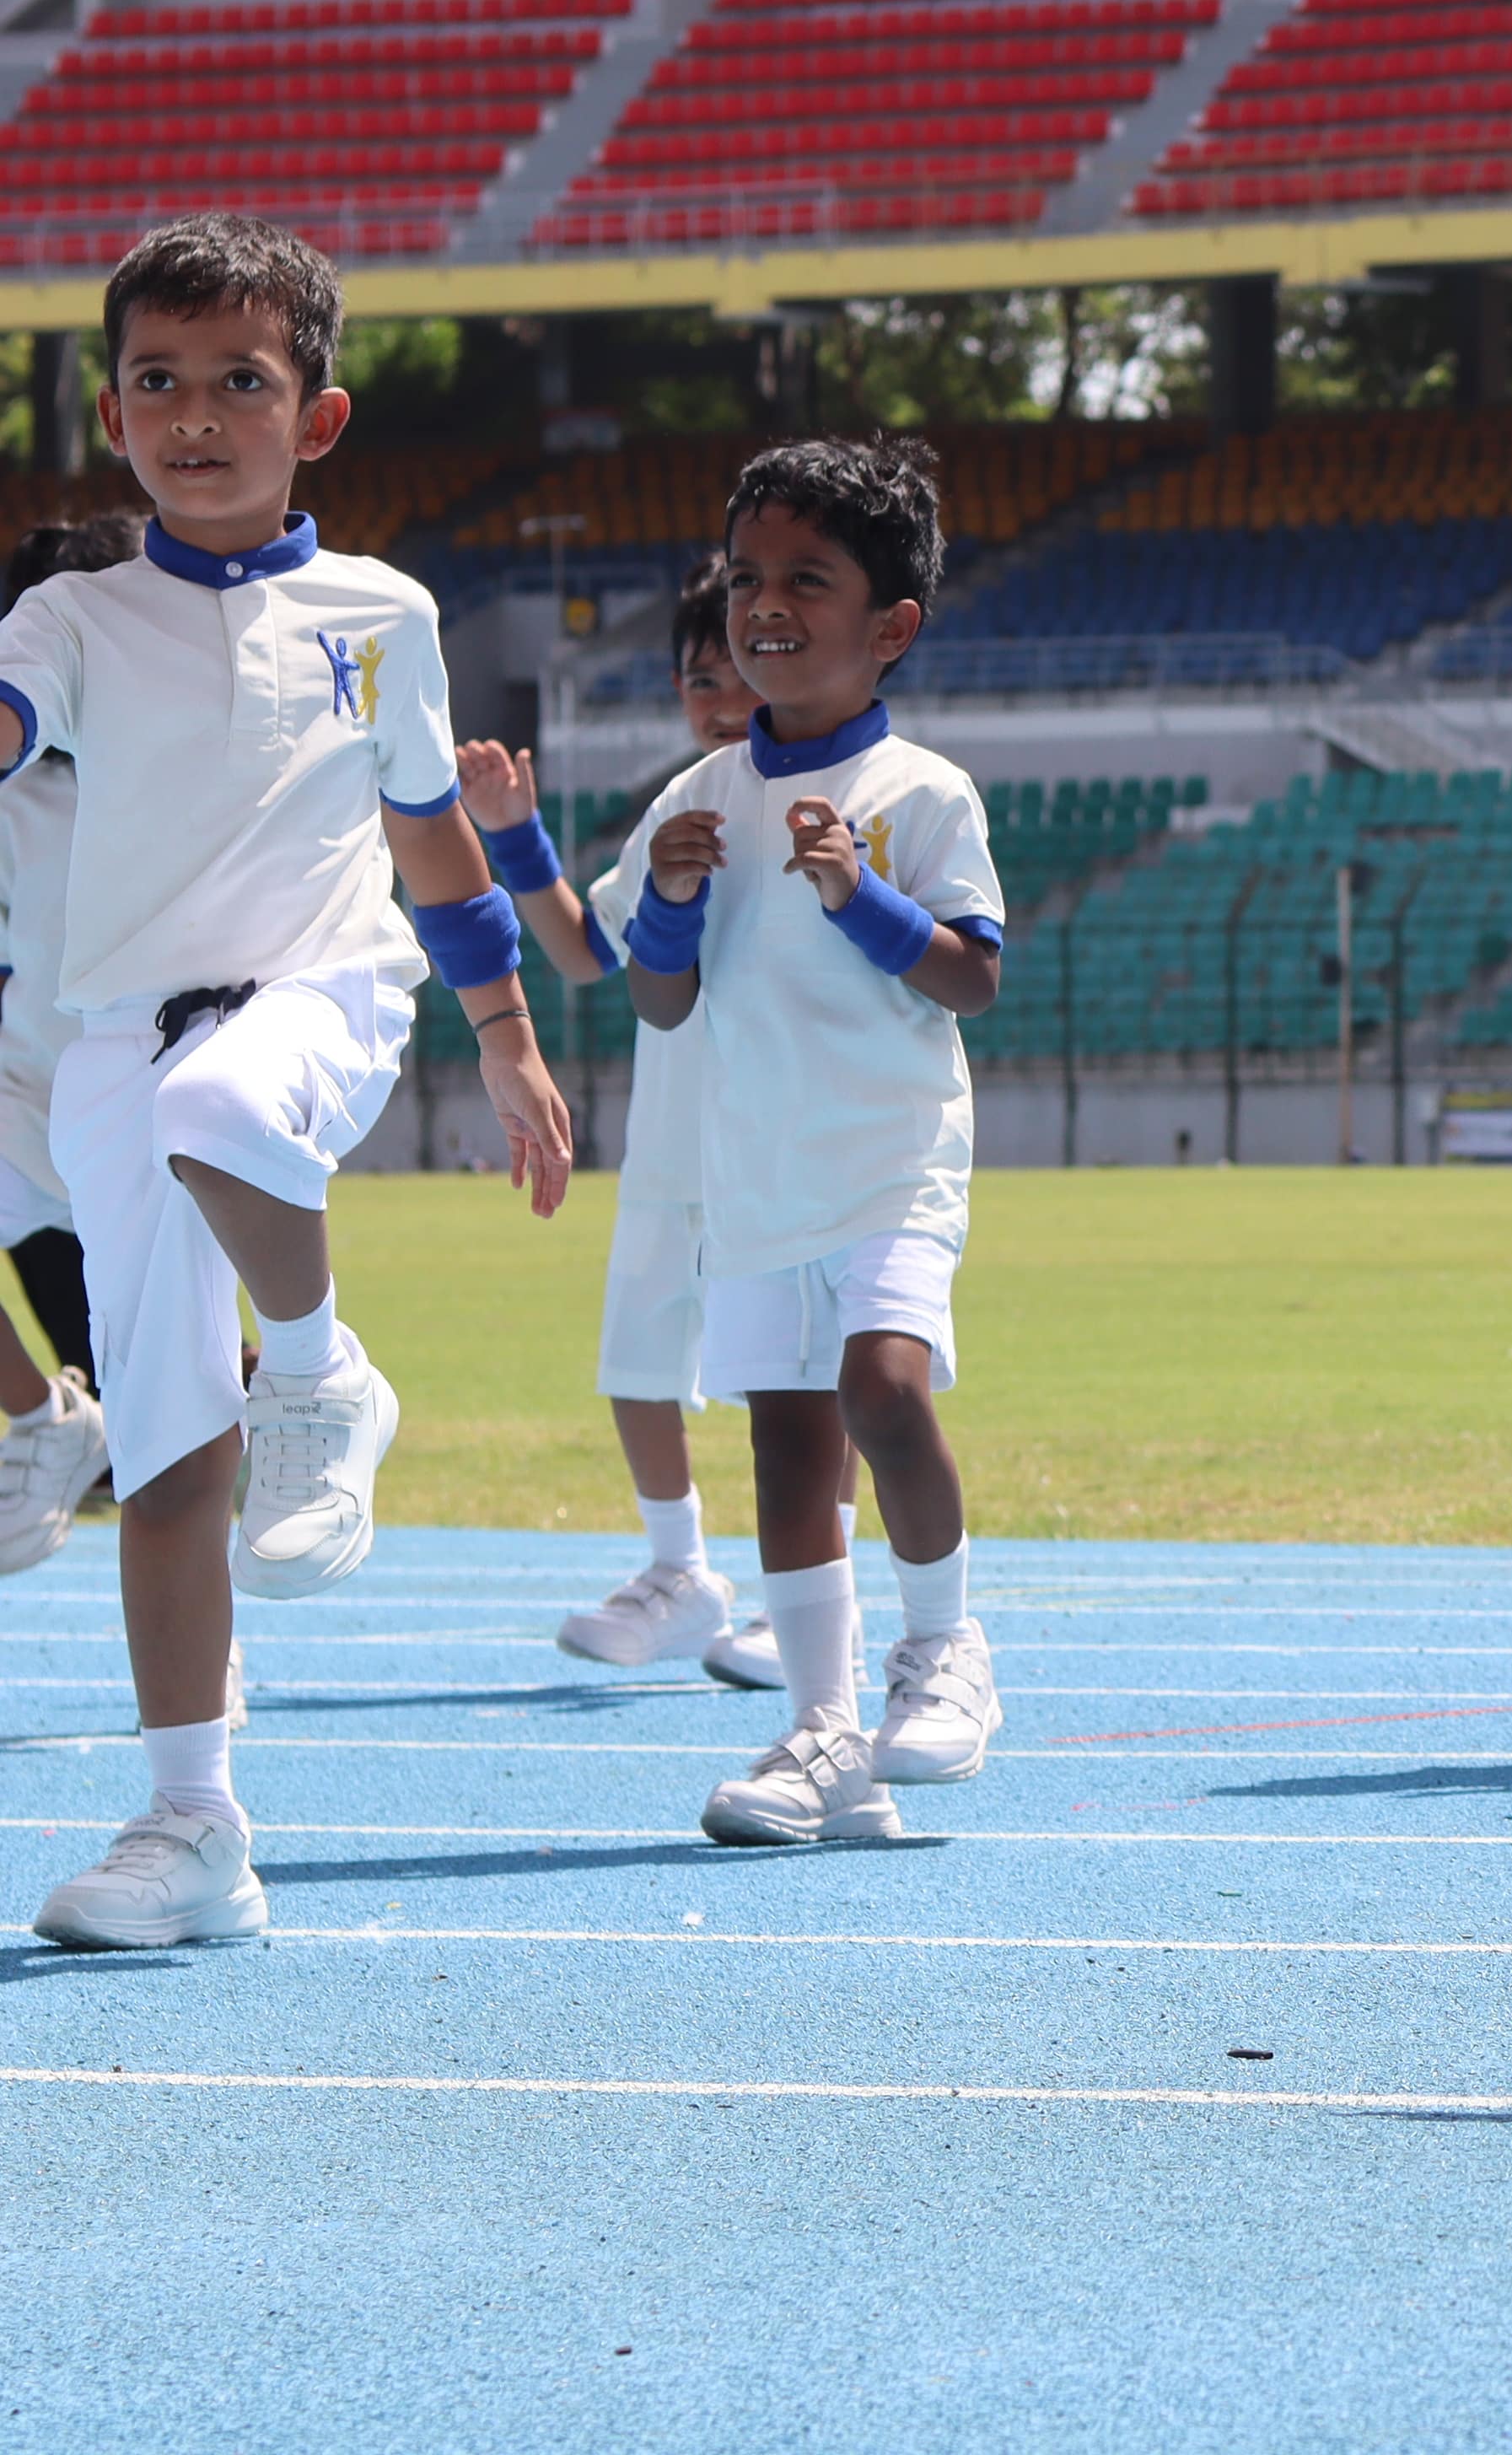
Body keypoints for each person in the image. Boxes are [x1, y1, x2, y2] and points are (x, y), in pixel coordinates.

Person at [7, 213, 575, 1949]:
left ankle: (325, 1375)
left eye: (240, 381)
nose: (196, 413)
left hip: (320, 992)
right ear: (114, 411)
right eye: (160, 381)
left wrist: (506, 1033)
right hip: (116, 1035)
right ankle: (196, 1826)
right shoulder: (74, 612)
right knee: (172, 1444)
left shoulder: (385, 615)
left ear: (314, 416)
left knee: (226, 1110)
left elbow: (429, 837)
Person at [624, 439, 1009, 1849]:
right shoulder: (696, 798)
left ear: (891, 625)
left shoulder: (924, 792)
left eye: (807, 579)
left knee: (884, 1391)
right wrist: (667, 902)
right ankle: (824, 1729)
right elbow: (659, 1002)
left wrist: (862, 900)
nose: (763, 604)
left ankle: (946, 1646)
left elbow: (972, 977)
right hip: (756, 1175)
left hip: (891, 1162)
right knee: (789, 1450)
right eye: (746, 576)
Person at [471, 560, 806, 1685]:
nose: (717, 700)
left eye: (739, 672)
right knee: (638, 1362)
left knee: (792, 1373)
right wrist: (516, 838)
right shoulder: (679, 802)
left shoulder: (831, 797)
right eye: (696, 679)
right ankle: (682, 1574)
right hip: (674, 1140)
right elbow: (581, 950)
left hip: (788, 1144)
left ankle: (809, 1591)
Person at [0, 511, 138, 1576]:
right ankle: (46, 1415)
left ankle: (202, 1649)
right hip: (18, 1088)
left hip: (139, 1106)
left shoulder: (180, 779)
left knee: (162, 1400)